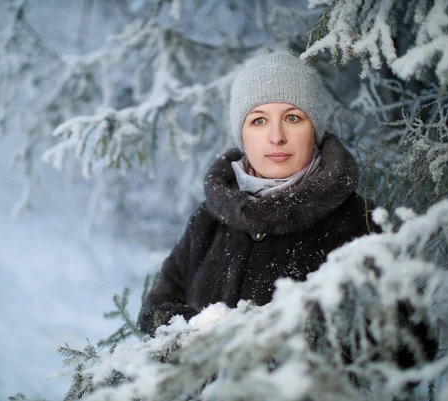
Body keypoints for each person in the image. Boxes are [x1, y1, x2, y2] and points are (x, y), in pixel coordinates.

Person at [137, 51, 379, 336]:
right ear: (242, 135)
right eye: (259, 121)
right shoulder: (210, 217)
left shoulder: (359, 223)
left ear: (314, 133)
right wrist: (199, 330)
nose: (276, 136)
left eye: (292, 118)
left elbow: (400, 347)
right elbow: (156, 310)